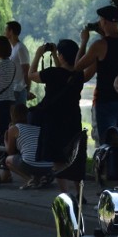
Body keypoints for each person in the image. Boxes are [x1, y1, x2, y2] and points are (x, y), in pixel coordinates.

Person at [27, 39, 85, 196]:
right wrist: (55, 53)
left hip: (54, 119)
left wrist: (39, 54)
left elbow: (31, 75)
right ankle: (80, 193)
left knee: (58, 158)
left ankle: (64, 193)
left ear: (63, 56)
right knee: (74, 156)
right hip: (73, 117)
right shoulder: (78, 75)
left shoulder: (52, 73)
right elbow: (63, 73)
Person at [74, 5, 118, 138]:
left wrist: (84, 41)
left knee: (107, 143)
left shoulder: (99, 45)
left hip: (105, 100)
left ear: (104, 21)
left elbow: (78, 66)